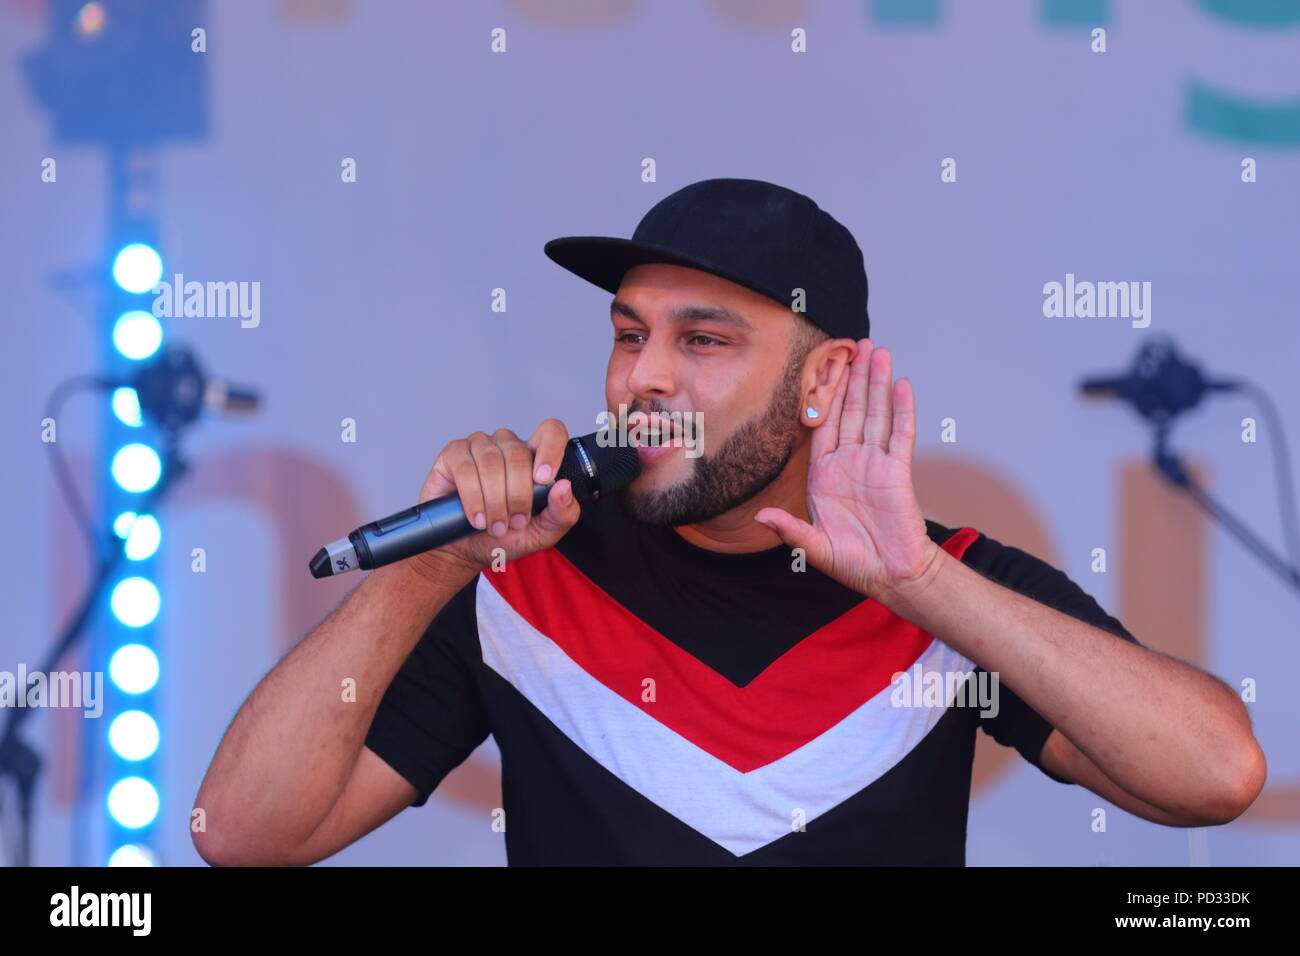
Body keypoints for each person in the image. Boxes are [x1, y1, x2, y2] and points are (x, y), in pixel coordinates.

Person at [192, 178, 1266, 866]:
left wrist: (920, 584)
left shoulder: (946, 588)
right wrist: (426, 572)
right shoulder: (522, 582)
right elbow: (239, 837)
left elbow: (1213, 775)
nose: (641, 377)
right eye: (628, 334)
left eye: (702, 341)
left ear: (825, 379)